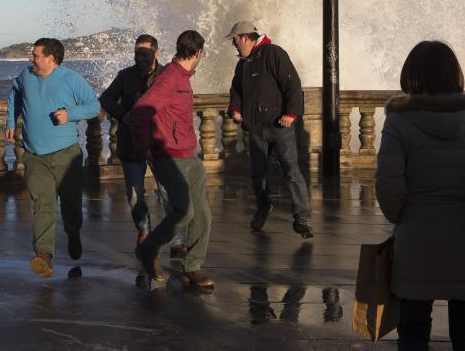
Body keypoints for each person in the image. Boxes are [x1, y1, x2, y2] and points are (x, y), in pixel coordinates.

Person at [376, 40, 465, 351]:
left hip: (418, 241)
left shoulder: (399, 121)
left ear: (411, 76)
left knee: (413, 334)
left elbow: (388, 189)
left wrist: (406, 219)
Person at [126, 30, 214, 291]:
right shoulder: (170, 79)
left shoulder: (182, 77)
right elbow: (139, 114)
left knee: (202, 216)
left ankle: (193, 268)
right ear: (197, 53)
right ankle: (149, 249)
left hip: (190, 156)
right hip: (169, 157)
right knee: (184, 211)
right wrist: (146, 148)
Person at [5, 38, 100, 278]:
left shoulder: (71, 79)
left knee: (70, 203)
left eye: (36, 55)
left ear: (50, 58)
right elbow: (14, 95)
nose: (31, 59)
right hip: (34, 154)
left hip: (66, 153)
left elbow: (94, 106)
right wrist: (10, 121)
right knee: (43, 204)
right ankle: (44, 255)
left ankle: (73, 232)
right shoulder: (26, 76)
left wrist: (71, 114)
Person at [99, 34, 186, 256]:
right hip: (131, 143)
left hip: (160, 143)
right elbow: (106, 99)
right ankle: (144, 231)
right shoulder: (125, 76)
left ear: (156, 53)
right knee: (135, 194)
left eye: (145, 54)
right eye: (137, 53)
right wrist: (124, 115)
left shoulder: (168, 74)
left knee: (167, 192)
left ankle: (176, 241)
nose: (140, 58)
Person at [225, 21, 313, 237]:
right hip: (256, 129)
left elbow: (292, 84)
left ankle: (302, 219)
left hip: (279, 126)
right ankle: (263, 208)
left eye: (235, 40)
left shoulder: (274, 53)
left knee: (291, 171)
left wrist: (291, 114)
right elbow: (236, 89)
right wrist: (235, 108)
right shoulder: (243, 64)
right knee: (258, 174)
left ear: (245, 37)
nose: (234, 45)